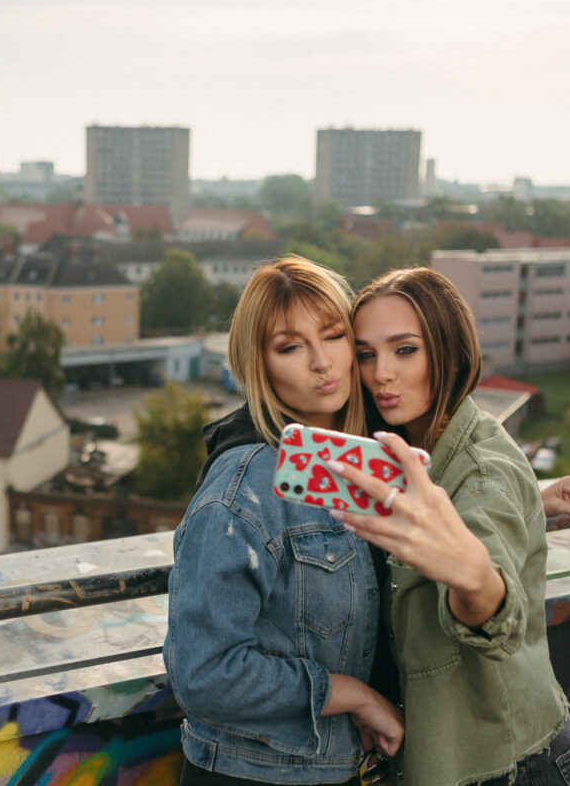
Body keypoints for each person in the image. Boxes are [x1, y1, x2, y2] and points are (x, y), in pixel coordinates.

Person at [327, 267, 570, 785]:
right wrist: (532, 501)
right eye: (365, 354)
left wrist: (473, 577)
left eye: (405, 350)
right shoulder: (423, 450)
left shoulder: (483, 474)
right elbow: (471, 507)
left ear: (448, 351)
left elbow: (496, 607)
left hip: (517, 768)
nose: (381, 373)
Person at [164, 256, 404, 786]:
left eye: (334, 336)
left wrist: (530, 501)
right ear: (260, 365)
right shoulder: (243, 486)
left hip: (339, 769)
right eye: (291, 347)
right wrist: (354, 694)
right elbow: (204, 674)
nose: (323, 362)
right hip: (253, 776)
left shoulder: (352, 461)